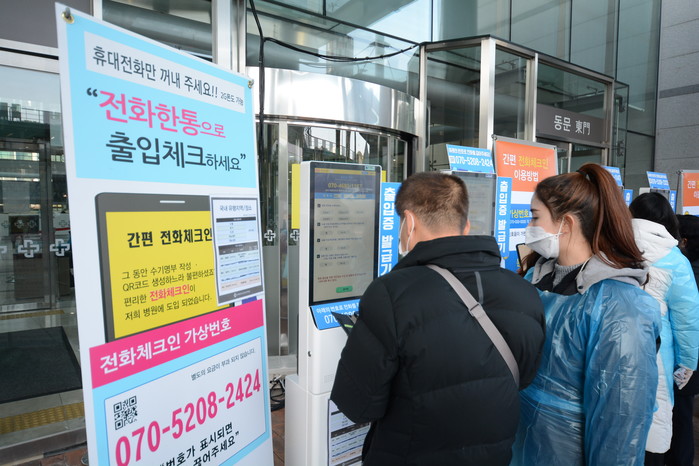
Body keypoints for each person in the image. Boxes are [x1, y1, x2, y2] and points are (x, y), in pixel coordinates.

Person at [330, 171, 546, 465]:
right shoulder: (524, 290)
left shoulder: (390, 293)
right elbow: (524, 377)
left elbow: (359, 404)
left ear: (409, 222)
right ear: (466, 226)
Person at [511, 163, 661, 465]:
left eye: (535, 216)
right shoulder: (535, 281)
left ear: (566, 224)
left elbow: (620, 422)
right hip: (524, 444)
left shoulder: (620, 308)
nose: (529, 225)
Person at [629, 193, 699, 465]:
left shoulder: (611, 246)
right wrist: (687, 365)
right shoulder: (675, 259)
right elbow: (687, 320)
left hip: (611, 346)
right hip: (657, 354)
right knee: (654, 424)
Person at [666, 214, 699, 466]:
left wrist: (685, 362)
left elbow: (685, 323)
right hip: (691, 361)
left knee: (679, 416)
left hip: (684, 361)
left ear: (684, 241)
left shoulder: (683, 271)